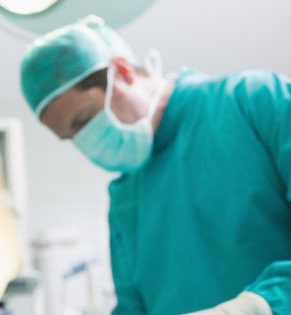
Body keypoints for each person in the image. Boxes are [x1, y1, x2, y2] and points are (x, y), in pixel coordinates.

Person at [20, 15, 291, 315]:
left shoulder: (256, 101)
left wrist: (257, 307)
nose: (85, 141)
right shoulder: (126, 198)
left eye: (84, 120)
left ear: (122, 71)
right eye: (71, 136)